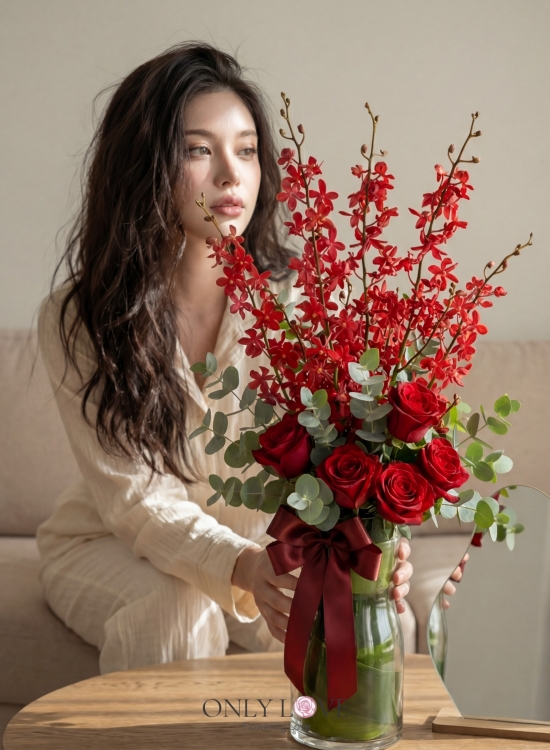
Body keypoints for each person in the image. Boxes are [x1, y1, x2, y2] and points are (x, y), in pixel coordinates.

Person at [35, 41, 417, 674]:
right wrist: (239, 565)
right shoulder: (79, 320)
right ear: (145, 165)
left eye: (245, 149)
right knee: (177, 610)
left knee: (372, 614)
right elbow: (137, 500)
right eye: (198, 150)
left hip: (269, 552)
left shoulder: (307, 305)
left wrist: (377, 541)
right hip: (109, 542)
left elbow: (357, 455)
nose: (230, 175)